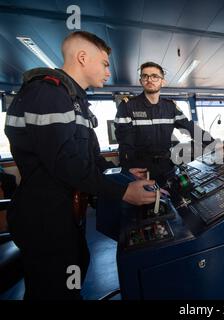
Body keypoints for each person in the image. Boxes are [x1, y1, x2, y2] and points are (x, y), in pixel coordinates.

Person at [4, 31, 157, 300]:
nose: (108, 71)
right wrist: (122, 192)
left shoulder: (74, 100)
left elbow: (88, 157)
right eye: (105, 63)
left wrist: (123, 174)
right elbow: (65, 163)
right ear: (83, 57)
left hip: (66, 214)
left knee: (74, 276)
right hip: (44, 218)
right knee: (54, 291)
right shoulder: (47, 92)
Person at [114, 62, 215, 185]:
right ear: (141, 81)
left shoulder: (170, 107)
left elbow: (190, 128)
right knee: (149, 203)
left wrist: (214, 144)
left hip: (166, 167)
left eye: (155, 76)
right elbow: (124, 142)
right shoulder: (128, 106)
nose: (150, 80)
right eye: (145, 76)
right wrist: (127, 169)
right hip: (141, 170)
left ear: (162, 81)